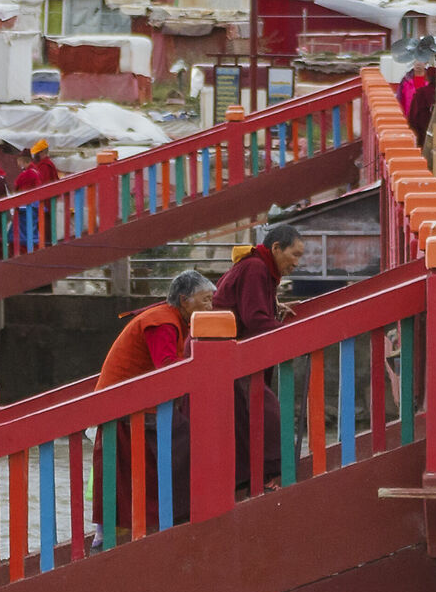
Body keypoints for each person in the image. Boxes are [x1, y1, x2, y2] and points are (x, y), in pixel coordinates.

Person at [96, 270, 214, 530]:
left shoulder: (170, 318)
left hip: (130, 403)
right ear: (184, 301)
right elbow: (168, 368)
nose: (210, 306)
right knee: (188, 445)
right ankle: (176, 518)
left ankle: (162, 520)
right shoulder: (163, 322)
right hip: (127, 407)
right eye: (205, 300)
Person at [216, 225, 299, 488]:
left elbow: (249, 306)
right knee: (267, 411)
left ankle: (253, 476)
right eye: (294, 255)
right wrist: (293, 333)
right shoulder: (256, 268)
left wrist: (274, 307)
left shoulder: (260, 267)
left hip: (231, 351)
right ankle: (275, 469)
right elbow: (253, 317)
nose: (296, 263)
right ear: (276, 248)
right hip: (225, 351)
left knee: (245, 416)